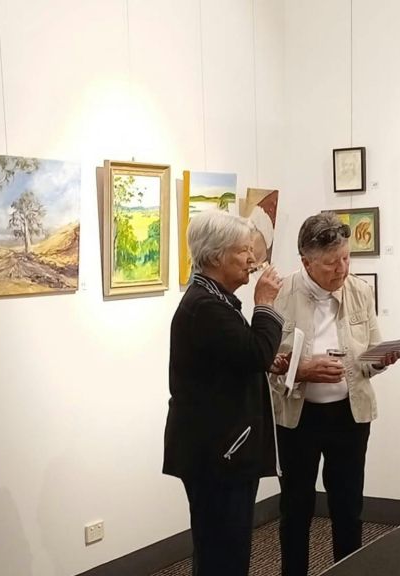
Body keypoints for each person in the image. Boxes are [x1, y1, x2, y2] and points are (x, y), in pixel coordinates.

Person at [271, 212, 400, 576]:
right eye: (331, 263)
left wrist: (382, 360)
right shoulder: (280, 296)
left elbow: (368, 358)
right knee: (295, 509)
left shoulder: (360, 290)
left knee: (348, 508)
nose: (341, 269)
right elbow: (265, 366)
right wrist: (302, 369)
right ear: (306, 262)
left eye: (346, 258)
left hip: (349, 414)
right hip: (298, 417)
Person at [163, 210, 285, 576]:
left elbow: (240, 357)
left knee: (222, 548)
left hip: (220, 450)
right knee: (223, 553)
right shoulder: (205, 306)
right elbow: (255, 353)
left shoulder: (213, 300)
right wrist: (265, 303)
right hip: (219, 455)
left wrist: (266, 360)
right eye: (244, 251)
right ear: (216, 257)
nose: (253, 260)